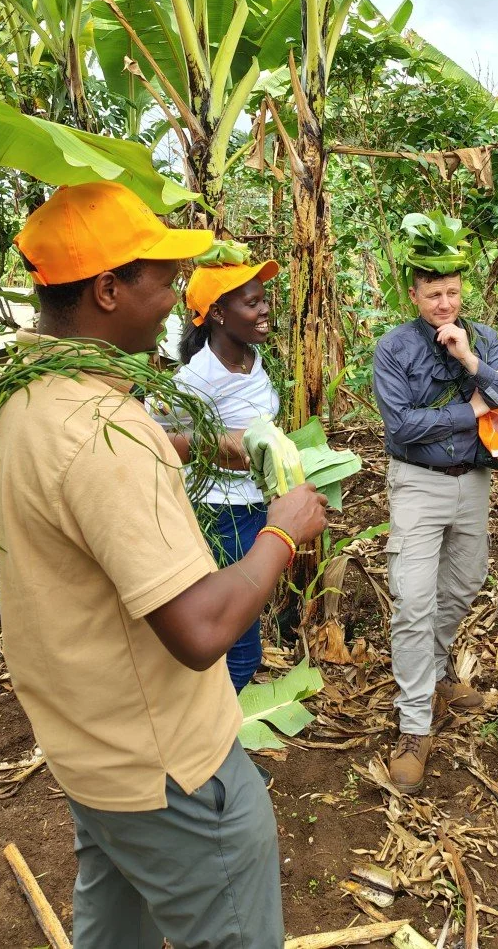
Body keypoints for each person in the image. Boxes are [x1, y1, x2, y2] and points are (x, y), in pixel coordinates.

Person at [0, 181, 326, 949]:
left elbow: (84, 482)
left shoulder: (29, 396)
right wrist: (281, 532)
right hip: (169, 773)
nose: (177, 298)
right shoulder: (103, 430)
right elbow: (198, 628)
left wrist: (201, 442)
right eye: (162, 279)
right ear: (108, 290)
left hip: (93, 750)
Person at [373, 255, 498, 793]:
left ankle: (434, 671)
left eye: (453, 293)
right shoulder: (394, 348)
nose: (444, 304)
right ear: (414, 296)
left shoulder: (481, 339)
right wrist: (474, 411)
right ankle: (414, 726)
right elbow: (403, 426)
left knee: (464, 583)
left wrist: (469, 360)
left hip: (474, 481)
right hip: (418, 481)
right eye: (433, 294)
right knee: (413, 600)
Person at [170, 253, 281, 693]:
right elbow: (163, 438)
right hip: (222, 515)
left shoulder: (252, 359)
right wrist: (216, 444)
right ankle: (208, 748)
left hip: (254, 505)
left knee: (240, 627)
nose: (265, 309)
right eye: (251, 303)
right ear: (217, 313)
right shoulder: (196, 378)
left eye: (263, 299)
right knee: (239, 646)